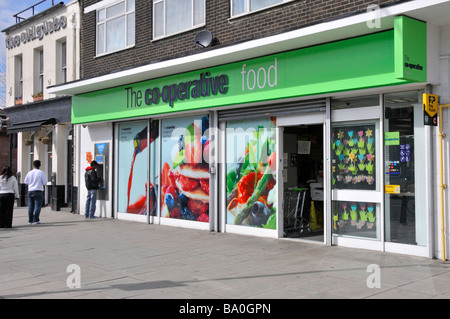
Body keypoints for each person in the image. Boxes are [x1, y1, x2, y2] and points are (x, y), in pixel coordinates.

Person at [24, 160, 47, 225]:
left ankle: (30, 220)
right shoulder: (41, 173)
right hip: (38, 190)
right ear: (40, 165)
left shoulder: (29, 173)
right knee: (37, 206)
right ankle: (36, 220)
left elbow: (26, 181)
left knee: (31, 206)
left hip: (30, 190)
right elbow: (45, 182)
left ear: (33, 165)